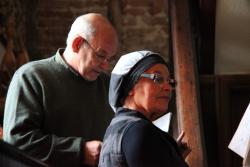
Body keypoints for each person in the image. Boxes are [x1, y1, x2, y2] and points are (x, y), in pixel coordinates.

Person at [3, 13, 119, 167]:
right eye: (100, 55)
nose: (106, 66)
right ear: (77, 44)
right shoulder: (31, 77)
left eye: (109, 59)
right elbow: (17, 141)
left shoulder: (107, 84)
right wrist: (80, 151)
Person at [99, 50, 190, 167]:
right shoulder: (139, 130)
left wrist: (170, 155)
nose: (168, 88)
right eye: (158, 78)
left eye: (169, 81)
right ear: (130, 86)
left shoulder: (116, 129)